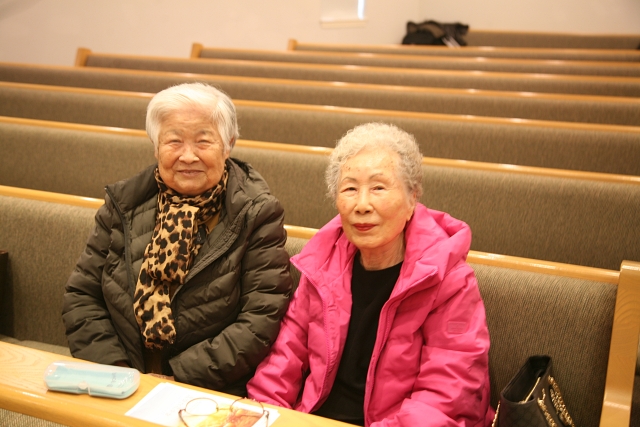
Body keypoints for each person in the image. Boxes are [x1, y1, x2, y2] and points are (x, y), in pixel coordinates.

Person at [247, 123, 494, 426]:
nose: (362, 205)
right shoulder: (323, 265)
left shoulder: (449, 281)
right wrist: (261, 415)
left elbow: (445, 398)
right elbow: (284, 358)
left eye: (378, 188)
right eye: (350, 189)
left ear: (412, 197)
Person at [62, 82, 293, 396]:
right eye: (174, 141)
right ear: (155, 147)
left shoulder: (256, 213)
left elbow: (260, 319)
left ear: (228, 145)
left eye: (203, 141)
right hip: (117, 380)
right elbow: (82, 296)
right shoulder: (123, 204)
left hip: (204, 390)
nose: (188, 156)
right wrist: (118, 373)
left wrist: (175, 379)